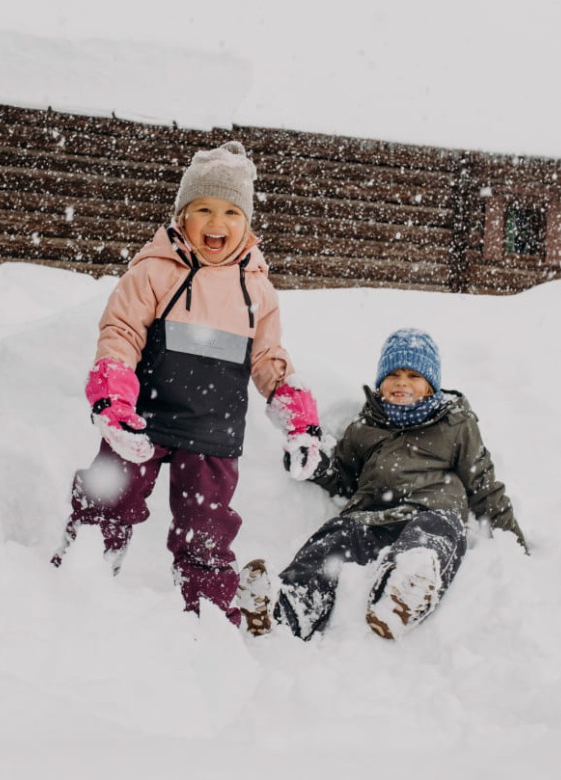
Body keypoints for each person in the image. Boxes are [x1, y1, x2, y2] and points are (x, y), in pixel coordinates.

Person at [51, 141, 322, 626]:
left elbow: (268, 357)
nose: (216, 223)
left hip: (213, 433)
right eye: (202, 209)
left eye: (230, 211)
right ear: (182, 215)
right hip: (144, 420)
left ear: (247, 222)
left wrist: (298, 421)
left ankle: (208, 618)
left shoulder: (256, 288)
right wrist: (113, 399)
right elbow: (122, 333)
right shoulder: (155, 270)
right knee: (110, 497)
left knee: (207, 529)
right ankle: (78, 581)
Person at [237, 328, 527, 640]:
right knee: (333, 539)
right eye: (394, 375)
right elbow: (344, 478)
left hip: (432, 512)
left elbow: (483, 486)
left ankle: (403, 596)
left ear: (431, 385)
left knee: (430, 539)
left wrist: (515, 547)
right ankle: (287, 609)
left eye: (414, 375)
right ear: (381, 383)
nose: (402, 383)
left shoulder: (455, 424)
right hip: (371, 518)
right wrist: (318, 466)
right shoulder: (365, 427)